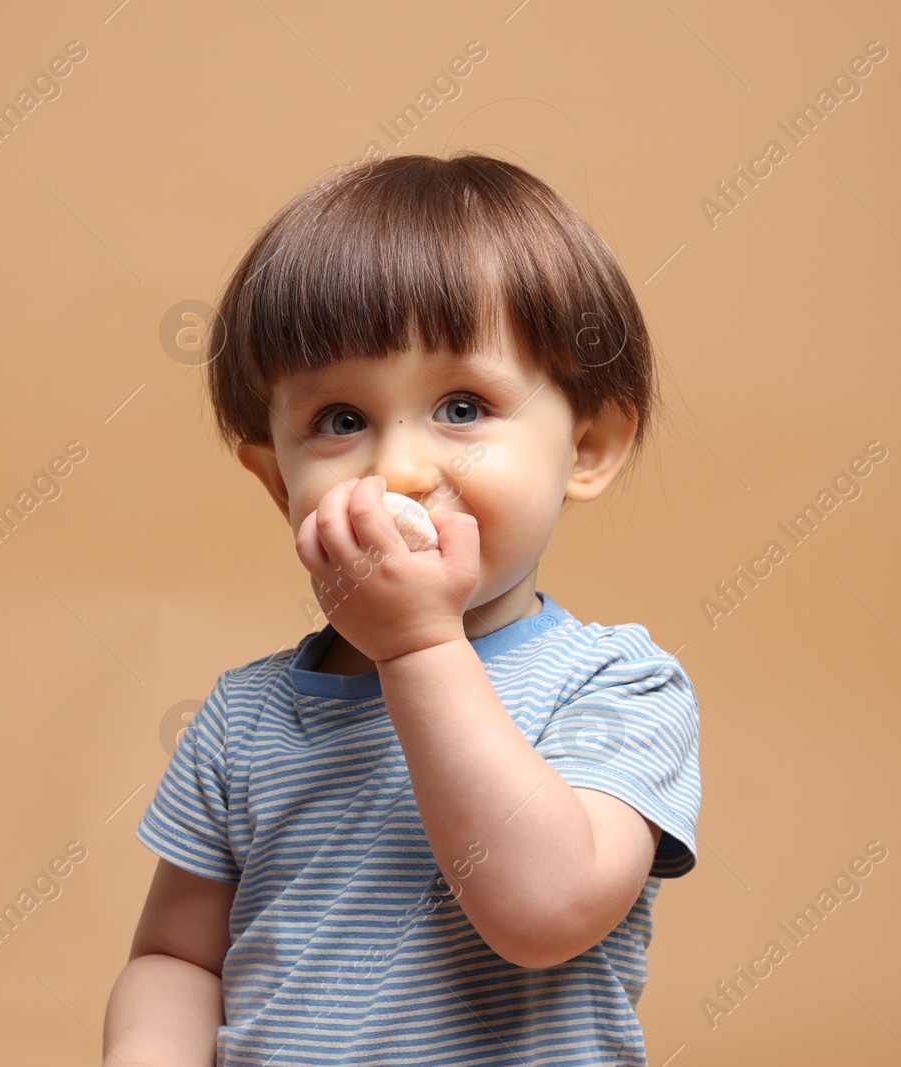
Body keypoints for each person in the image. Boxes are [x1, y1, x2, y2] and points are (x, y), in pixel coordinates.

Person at [102, 151, 703, 1067]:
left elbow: (545, 912)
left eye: (463, 406)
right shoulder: (243, 719)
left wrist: (418, 645)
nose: (401, 469)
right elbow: (177, 955)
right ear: (277, 480)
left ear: (588, 445)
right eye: (340, 421)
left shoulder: (617, 686)